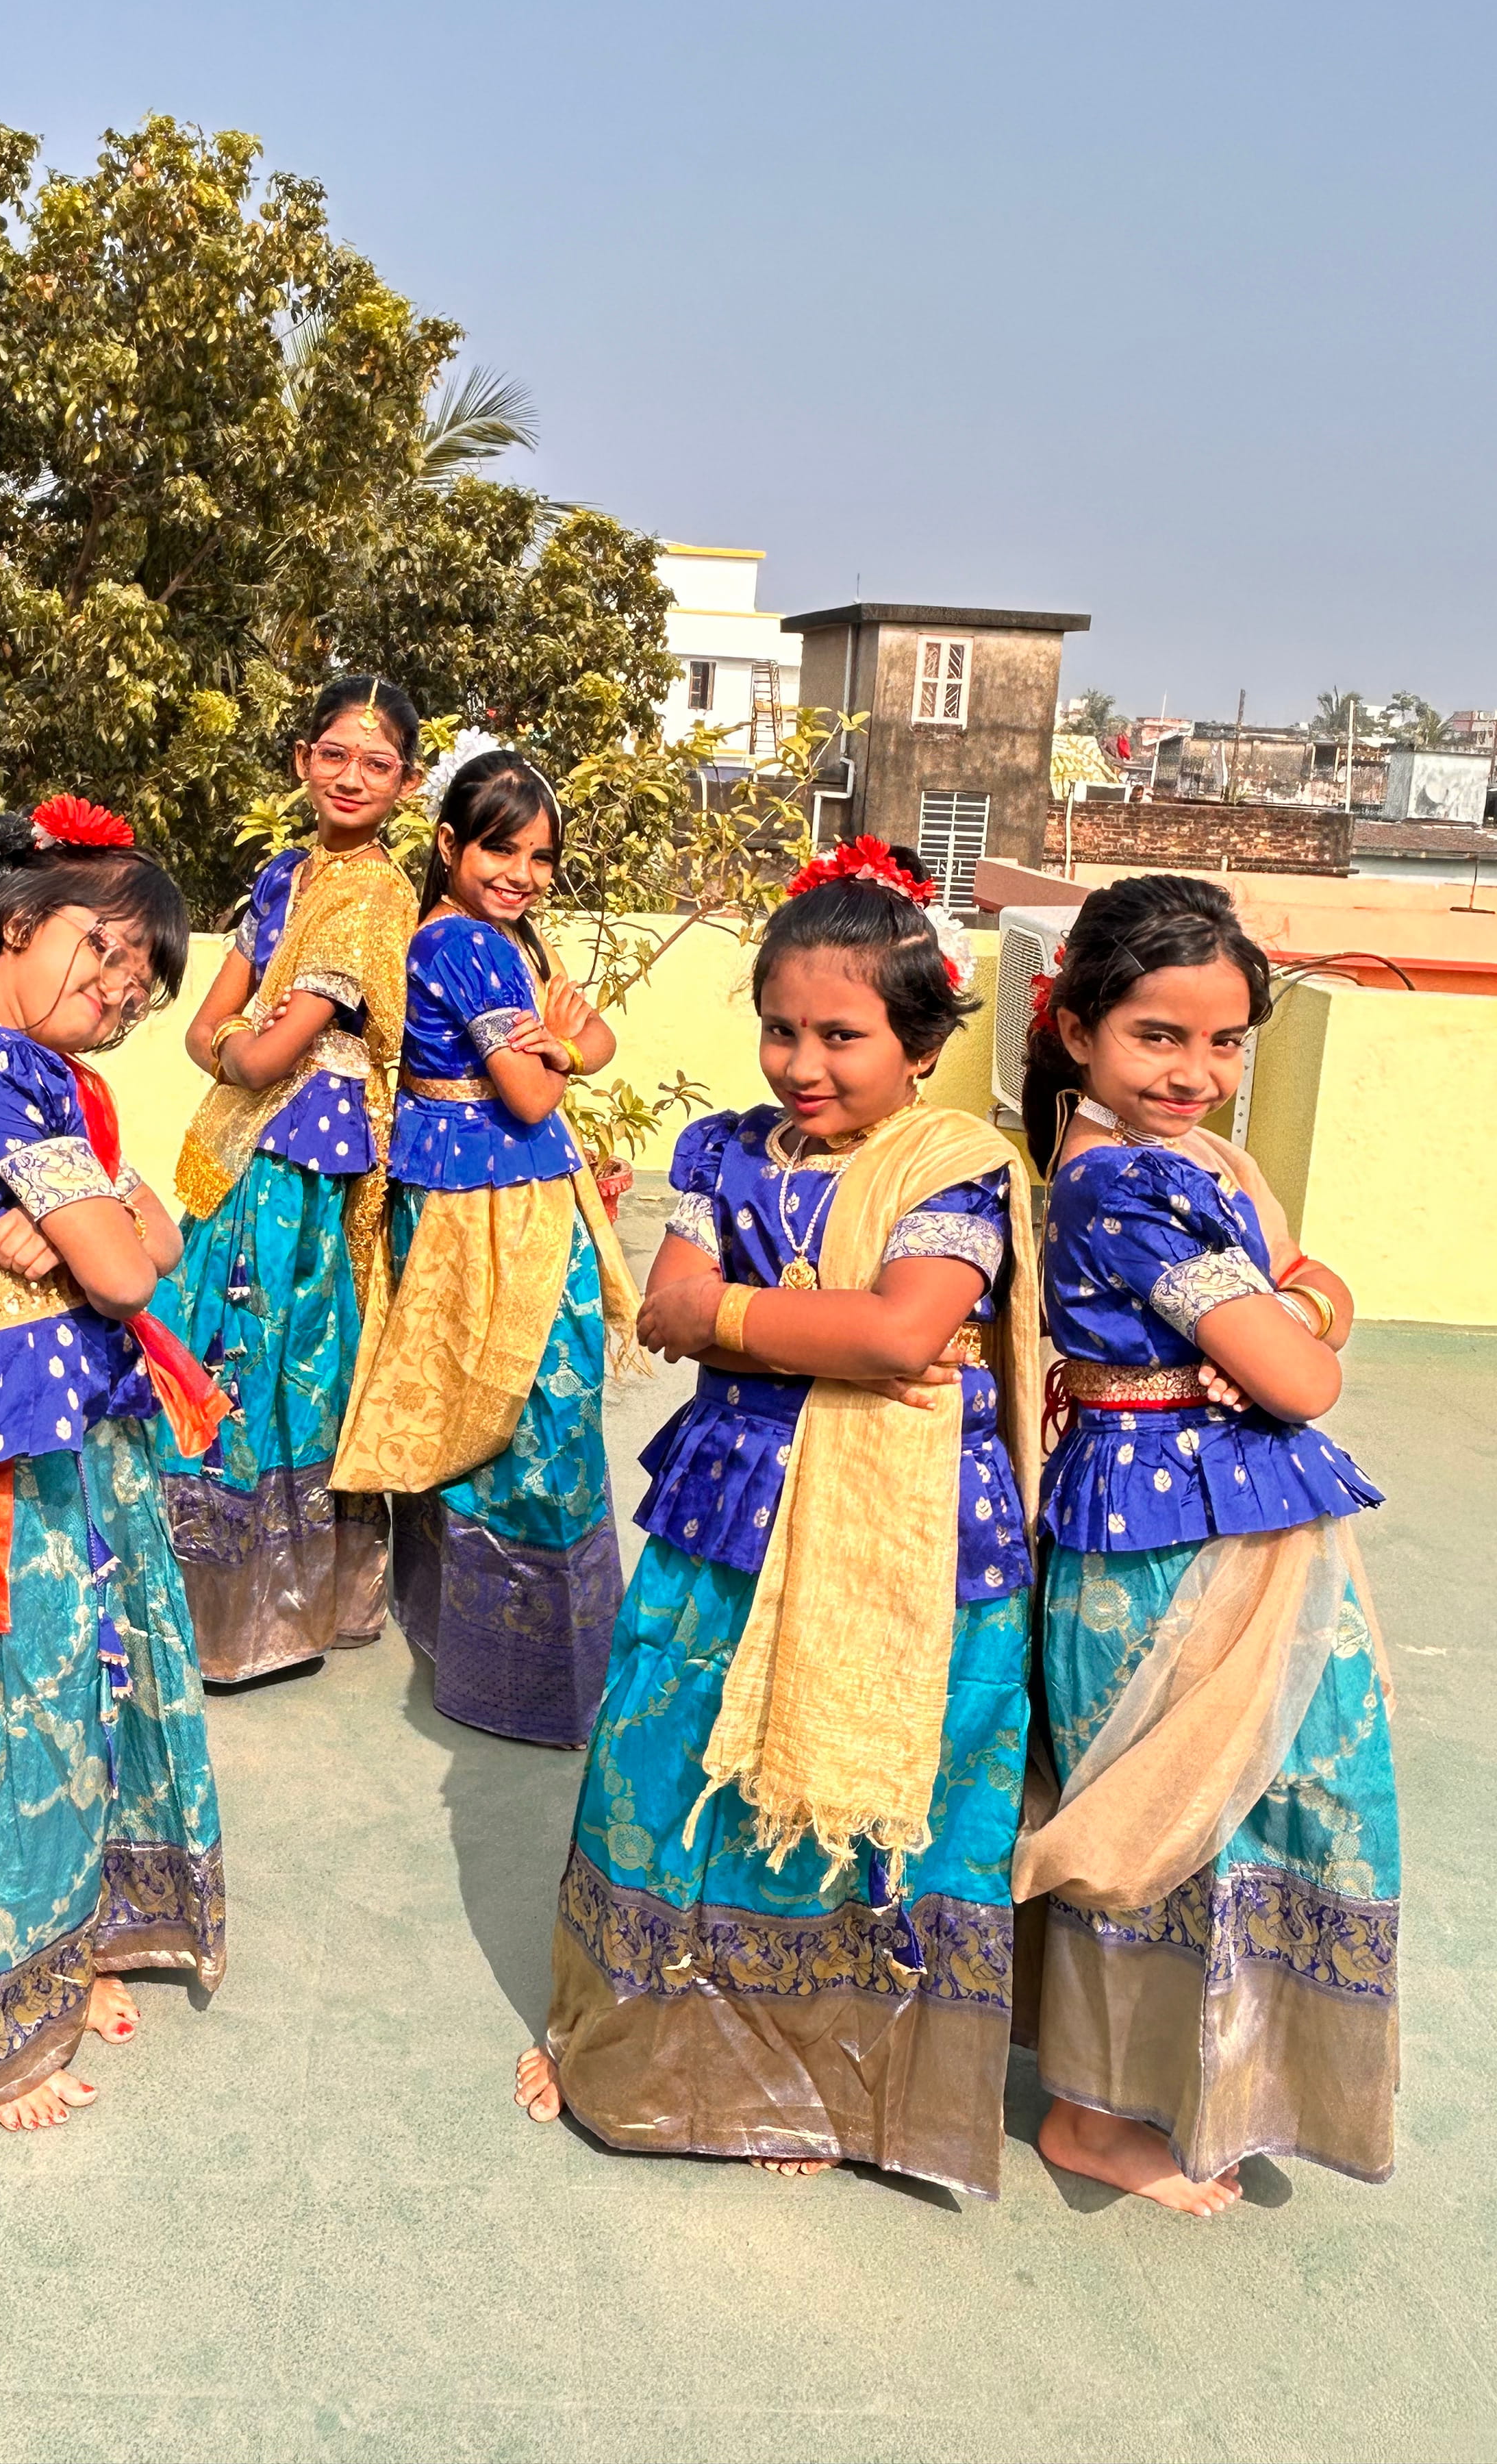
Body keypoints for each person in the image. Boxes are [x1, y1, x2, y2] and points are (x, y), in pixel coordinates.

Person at [515, 840, 1044, 2196]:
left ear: (919, 1040)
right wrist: (823, 1335)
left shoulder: (957, 1164)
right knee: (674, 1770)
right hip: (733, 1510)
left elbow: (905, 1329)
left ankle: (810, 2075)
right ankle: (638, 2047)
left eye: (842, 1035)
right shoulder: (716, 1148)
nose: (803, 1063)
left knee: (855, 1799)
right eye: (779, 1029)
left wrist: (749, 1328)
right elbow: (674, 1308)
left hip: (909, 1535)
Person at [1014, 873, 1396, 2213]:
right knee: (1159, 1819)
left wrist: (1299, 1310)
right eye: (1158, 1037)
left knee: (1273, 1802)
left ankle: (1208, 2077)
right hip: (1160, 1541)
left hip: (1241, 1513)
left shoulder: (1207, 1168)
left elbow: (1313, 1307)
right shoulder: (1124, 1189)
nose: (1197, 1070)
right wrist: (1297, 1329)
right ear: (1077, 1031)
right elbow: (1300, 1377)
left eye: (1226, 1041)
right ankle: (1092, 2114)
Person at [0, 795, 229, 2128]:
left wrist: (105, 1222)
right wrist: (115, 1227)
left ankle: (58, 1954)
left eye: (149, 975)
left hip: (51, 1420)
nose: (127, 988)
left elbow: (134, 1241)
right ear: (18, 920)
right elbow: (134, 1260)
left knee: (59, 1699)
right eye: (109, 948)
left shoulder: (17, 1069)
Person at [334, 750, 640, 1746]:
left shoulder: (508, 941)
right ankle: (533, 1680)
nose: (522, 873)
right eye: (501, 848)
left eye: (541, 857)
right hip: (494, 1203)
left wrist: (562, 1045)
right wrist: (557, 1049)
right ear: (449, 845)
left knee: (478, 1401)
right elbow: (537, 1091)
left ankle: (472, 1647)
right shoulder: (467, 945)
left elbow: (593, 1045)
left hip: (484, 1192)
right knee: (533, 1415)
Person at [156, 677, 422, 1681]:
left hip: (310, 1166)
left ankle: (272, 1616)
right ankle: (208, 1605)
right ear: (303, 760)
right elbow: (210, 1029)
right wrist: (241, 1041)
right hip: (243, 1151)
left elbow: (256, 1056)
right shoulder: (283, 877)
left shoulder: (370, 897)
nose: (351, 778)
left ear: (407, 781)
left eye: (377, 763)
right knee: (217, 1348)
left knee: (278, 1362)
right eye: (334, 756)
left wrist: (240, 1043)